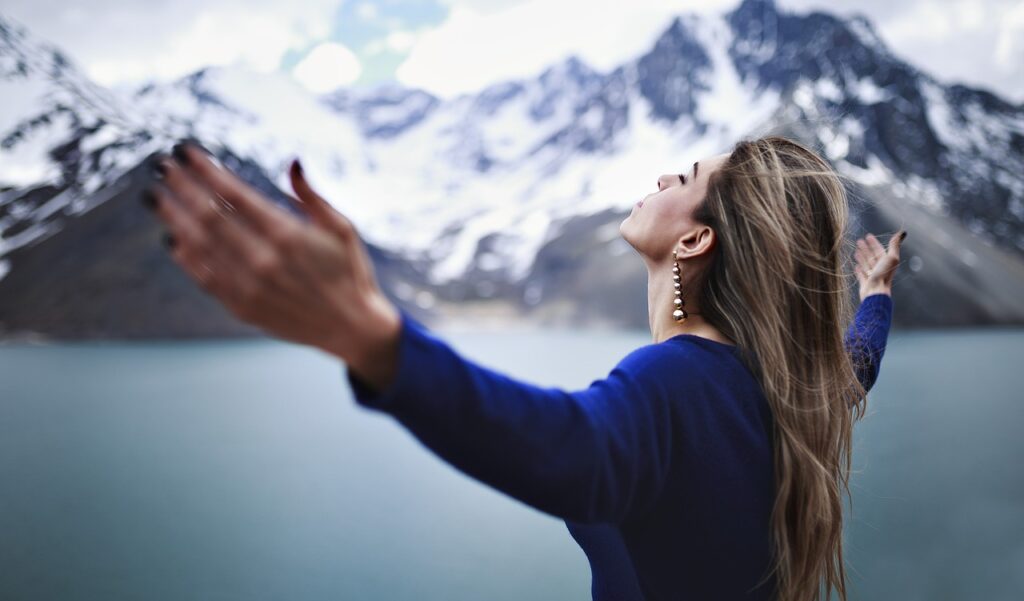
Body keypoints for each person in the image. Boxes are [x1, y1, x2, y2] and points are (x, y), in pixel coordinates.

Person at [143, 135, 905, 601]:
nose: (667, 177)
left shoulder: (672, 385)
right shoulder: (796, 391)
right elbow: (856, 361)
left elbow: (568, 447)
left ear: (696, 242)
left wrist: (370, 336)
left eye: (688, 177)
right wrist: (874, 295)